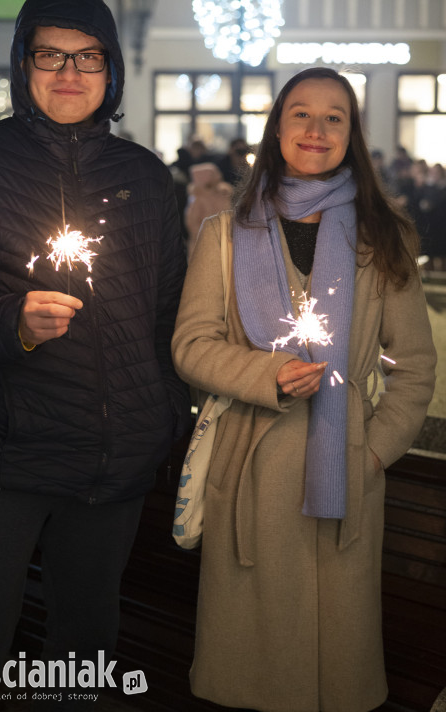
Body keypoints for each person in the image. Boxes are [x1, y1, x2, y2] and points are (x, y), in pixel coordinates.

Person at [0, 0, 189, 710]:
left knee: (82, 661)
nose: (70, 72)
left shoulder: (144, 177)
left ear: (111, 71)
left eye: (88, 57)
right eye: (51, 54)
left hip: (113, 468)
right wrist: (11, 322)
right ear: (23, 64)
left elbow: (167, 310)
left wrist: (161, 413)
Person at [171, 67, 436, 712]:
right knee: (252, 678)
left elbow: (416, 367)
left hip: (344, 473)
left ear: (352, 133)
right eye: (301, 114)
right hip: (250, 473)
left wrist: (372, 452)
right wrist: (265, 374)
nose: (316, 130)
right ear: (277, 127)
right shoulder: (226, 235)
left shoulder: (384, 238)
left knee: (334, 676)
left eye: (334, 117)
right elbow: (190, 345)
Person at [184, 162, 233, 260]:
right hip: (204, 245)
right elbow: (192, 223)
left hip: (226, 241)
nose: (218, 176)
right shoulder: (198, 197)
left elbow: (231, 214)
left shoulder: (224, 193)